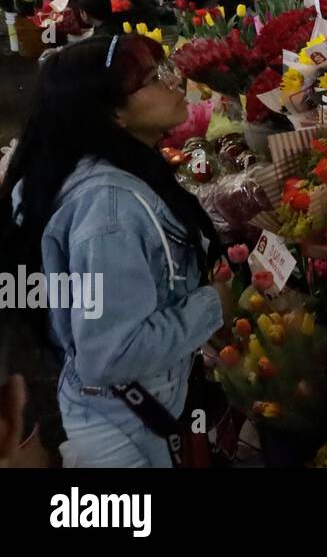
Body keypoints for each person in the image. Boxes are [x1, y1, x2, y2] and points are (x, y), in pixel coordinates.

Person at [0, 34, 231, 467]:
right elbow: (111, 355)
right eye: (153, 79)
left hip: (123, 412)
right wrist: (213, 305)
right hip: (123, 435)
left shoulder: (105, 171)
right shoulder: (110, 212)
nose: (175, 84)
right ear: (112, 114)